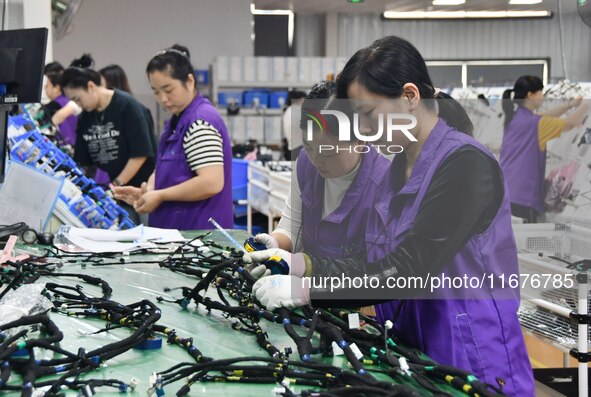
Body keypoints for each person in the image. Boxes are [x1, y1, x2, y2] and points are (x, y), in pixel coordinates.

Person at [248, 36, 535, 396]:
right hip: (409, 350)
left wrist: (307, 289)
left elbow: (408, 268)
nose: (364, 130)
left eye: (368, 114)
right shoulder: (396, 170)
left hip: (471, 357)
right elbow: (371, 261)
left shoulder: (466, 164)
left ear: (411, 96)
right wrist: (297, 264)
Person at [249, 81, 389, 279]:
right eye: (308, 146)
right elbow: (291, 227)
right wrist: (275, 243)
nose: (316, 160)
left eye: (328, 152)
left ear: (360, 139)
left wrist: (305, 274)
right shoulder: (305, 165)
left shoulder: (385, 184)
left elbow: (380, 272)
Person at [112, 45, 233, 230]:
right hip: (179, 233)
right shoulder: (176, 122)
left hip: (199, 235)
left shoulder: (199, 122)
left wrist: (161, 196)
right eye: (156, 91)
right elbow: (165, 166)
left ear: (190, 81)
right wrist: (149, 192)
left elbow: (211, 182)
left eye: (168, 90)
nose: (163, 99)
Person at [61, 54, 156, 224]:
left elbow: (140, 154)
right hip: (119, 193)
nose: (77, 104)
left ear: (90, 86)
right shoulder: (85, 118)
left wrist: (115, 185)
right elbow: (83, 161)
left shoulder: (128, 107)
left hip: (142, 190)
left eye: (77, 99)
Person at [500, 75, 588, 223]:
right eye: (540, 92)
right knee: (529, 242)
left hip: (507, 193)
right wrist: (586, 105)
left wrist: (570, 105)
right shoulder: (537, 124)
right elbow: (571, 123)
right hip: (524, 198)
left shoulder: (516, 118)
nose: (543, 96)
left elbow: (543, 116)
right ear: (531, 95)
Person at [96, 64, 159, 188]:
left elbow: (140, 153)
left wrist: (116, 185)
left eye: (101, 85)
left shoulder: (133, 111)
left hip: (138, 185)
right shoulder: (107, 114)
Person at [43, 61, 80, 147]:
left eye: (47, 86)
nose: (45, 89)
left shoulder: (54, 105)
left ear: (56, 88)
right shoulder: (67, 101)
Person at [282, 90, 307, 160]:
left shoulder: (289, 110)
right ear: (302, 99)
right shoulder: (297, 111)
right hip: (299, 148)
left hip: (291, 147)